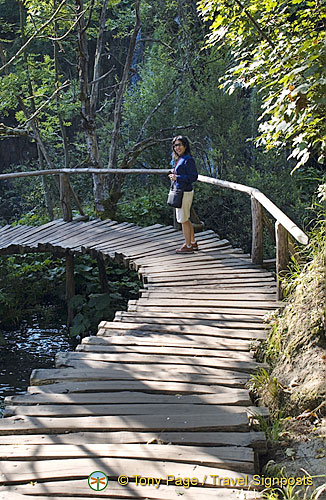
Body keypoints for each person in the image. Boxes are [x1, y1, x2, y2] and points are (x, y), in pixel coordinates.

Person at [168, 135, 198, 253]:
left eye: (179, 145)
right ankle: (192, 242)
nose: (177, 147)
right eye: (175, 145)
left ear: (185, 145)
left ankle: (188, 246)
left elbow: (193, 176)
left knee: (183, 219)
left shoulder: (188, 159)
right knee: (185, 218)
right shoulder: (181, 159)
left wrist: (177, 178)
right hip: (182, 191)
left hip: (184, 192)